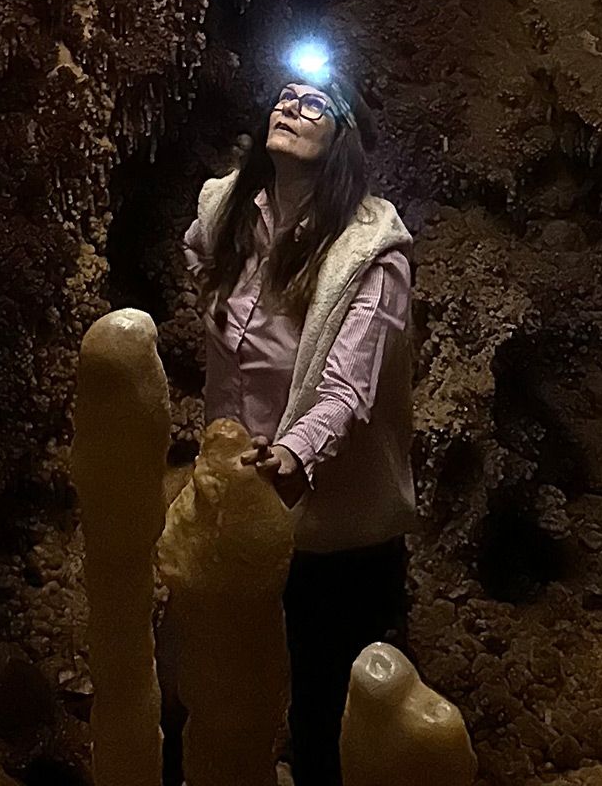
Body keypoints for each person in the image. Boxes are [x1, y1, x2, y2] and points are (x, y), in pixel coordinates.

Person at [180, 57, 415, 786]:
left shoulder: (371, 258)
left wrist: (291, 455)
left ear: (344, 139)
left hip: (335, 537)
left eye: (314, 104)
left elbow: (346, 388)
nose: (291, 106)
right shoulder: (228, 218)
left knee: (324, 725)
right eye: (285, 97)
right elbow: (195, 256)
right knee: (207, 699)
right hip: (239, 509)